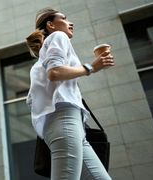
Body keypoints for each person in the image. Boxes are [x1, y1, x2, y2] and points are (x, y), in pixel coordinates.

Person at [26, 8, 114, 180]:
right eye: (64, 19)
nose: (70, 22)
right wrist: (91, 67)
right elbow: (55, 72)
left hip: (69, 124)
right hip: (65, 120)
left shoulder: (40, 61)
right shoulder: (58, 36)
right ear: (51, 25)